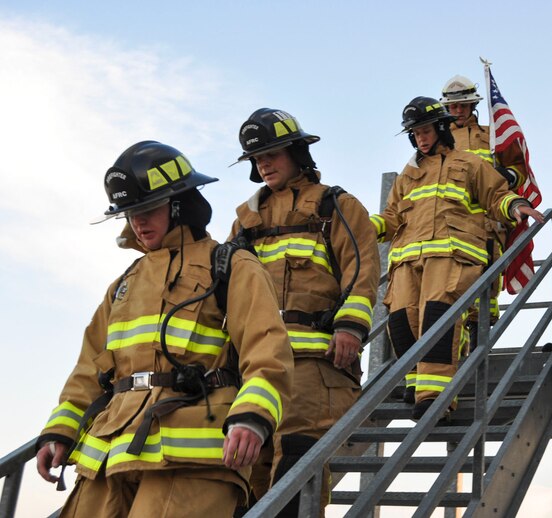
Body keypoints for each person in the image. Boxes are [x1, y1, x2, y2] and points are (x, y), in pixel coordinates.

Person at [35, 141, 294, 518]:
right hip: (109, 454)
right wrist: (60, 431)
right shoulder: (125, 283)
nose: (137, 222)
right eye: (130, 212)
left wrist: (253, 417)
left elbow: (267, 350)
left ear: (180, 204)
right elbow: (89, 369)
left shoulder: (231, 264)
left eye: (148, 208)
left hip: (194, 458)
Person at [230, 108, 380, 516]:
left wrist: (350, 327)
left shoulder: (337, 206)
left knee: (297, 473)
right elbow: (226, 294)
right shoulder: (245, 221)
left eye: (272, 154)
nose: (263, 164)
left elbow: (362, 272)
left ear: (297, 152)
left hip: (317, 368)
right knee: (244, 484)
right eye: (257, 159)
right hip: (255, 372)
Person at [370, 96, 544, 420]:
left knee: (438, 317)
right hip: (408, 258)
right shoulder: (408, 175)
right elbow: (392, 216)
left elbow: (496, 195)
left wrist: (515, 206)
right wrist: (366, 228)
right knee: (400, 319)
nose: (420, 138)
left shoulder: (469, 163)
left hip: (453, 253)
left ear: (439, 128)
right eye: (415, 133)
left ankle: (435, 396)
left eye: (425, 130)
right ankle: (414, 382)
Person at [440, 74, 533, 364]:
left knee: (487, 289)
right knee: (453, 288)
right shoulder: (440, 141)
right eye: (453, 107)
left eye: (463, 105)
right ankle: (459, 354)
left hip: (489, 224)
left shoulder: (493, 135)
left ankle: (478, 347)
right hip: (452, 225)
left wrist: (507, 175)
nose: (458, 111)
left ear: (473, 105)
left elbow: (520, 168)